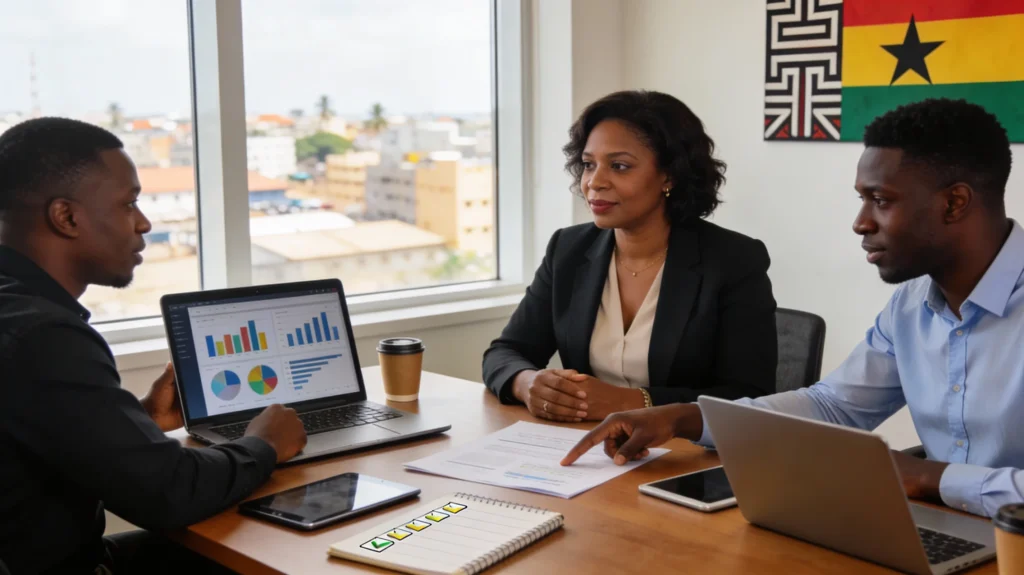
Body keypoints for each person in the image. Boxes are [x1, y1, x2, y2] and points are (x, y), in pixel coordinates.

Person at [561, 98, 1023, 519]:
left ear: (955, 203)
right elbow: (834, 407)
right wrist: (683, 417)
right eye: (862, 199)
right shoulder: (911, 302)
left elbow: (927, 473)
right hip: (948, 525)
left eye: (880, 201)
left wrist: (930, 477)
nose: (861, 223)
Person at [0, 118, 308, 574]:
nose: (144, 223)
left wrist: (141, 421)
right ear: (66, 216)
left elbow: (40, 451)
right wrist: (263, 444)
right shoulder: (44, 338)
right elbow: (169, 494)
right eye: (129, 204)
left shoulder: (16, 311)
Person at [482, 91, 778, 423]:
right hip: (582, 452)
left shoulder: (733, 260)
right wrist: (528, 383)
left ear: (669, 175)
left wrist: (632, 401)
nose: (594, 182)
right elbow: (505, 352)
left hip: (688, 460)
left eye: (619, 166)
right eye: (588, 164)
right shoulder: (568, 249)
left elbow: (750, 394)